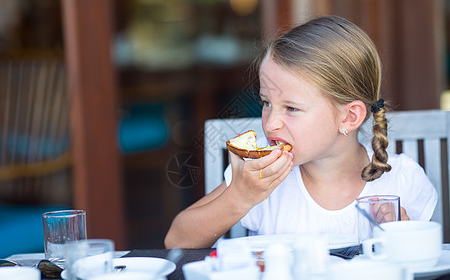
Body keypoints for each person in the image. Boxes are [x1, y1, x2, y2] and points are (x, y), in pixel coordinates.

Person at [164, 15, 437, 249]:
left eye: (292, 108)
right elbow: (177, 241)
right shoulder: (258, 175)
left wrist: (401, 236)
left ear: (349, 117)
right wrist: (240, 196)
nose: (270, 124)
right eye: (266, 103)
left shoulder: (402, 181)